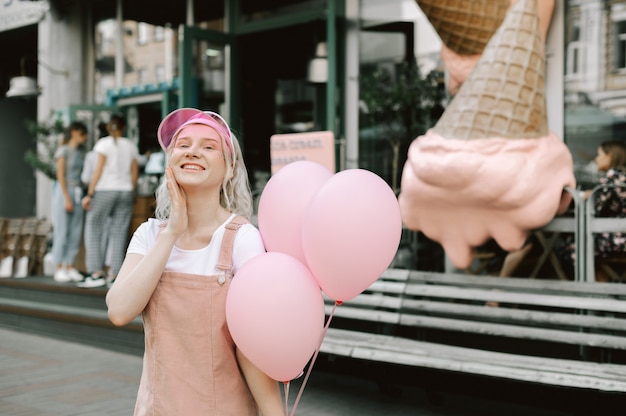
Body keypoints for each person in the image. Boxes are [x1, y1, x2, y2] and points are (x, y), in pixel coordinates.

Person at [106, 108, 283, 415]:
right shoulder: (149, 235)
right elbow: (119, 311)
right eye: (183, 144)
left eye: (208, 146)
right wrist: (172, 231)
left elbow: (251, 346)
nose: (193, 152)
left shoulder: (242, 239)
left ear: (229, 169)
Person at [79, 113, 138, 288]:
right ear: (124, 128)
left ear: (107, 127)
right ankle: (114, 273)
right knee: (119, 231)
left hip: (105, 189)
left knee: (94, 227)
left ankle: (96, 273)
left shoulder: (103, 144)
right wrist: (131, 189)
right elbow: (134, 173)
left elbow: (98, 170)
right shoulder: (130, 145)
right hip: (125, 190)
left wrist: (89, 194)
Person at [558, 140, 626, 281]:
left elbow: (597, 205)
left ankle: (594, 288)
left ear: (610, 156)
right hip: (620, 235)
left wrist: (588, 195)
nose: (596, 158)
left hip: (618, 237)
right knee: (582, 245)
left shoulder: (613, 174)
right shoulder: (622, 175)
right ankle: (603, 287)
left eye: (599, 154)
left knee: (572, 246)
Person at [51, 121, 88, 282]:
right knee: (62, 230)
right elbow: (60, 175)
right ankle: (59, 267)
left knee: (75, 231)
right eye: (82, 134)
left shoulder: (81, 152)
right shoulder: (63, 150)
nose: (84, 138)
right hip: (64, 192)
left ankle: (69, 265)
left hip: (78, 192)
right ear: (74, 132)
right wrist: (66, 198)